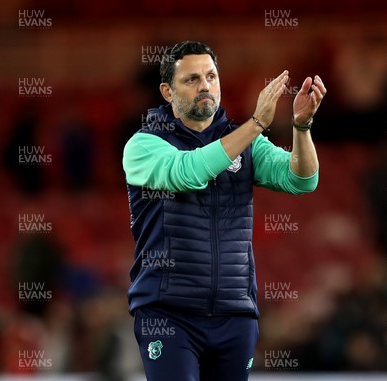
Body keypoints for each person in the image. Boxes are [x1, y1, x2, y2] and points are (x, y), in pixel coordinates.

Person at [121, 40, 325, 381]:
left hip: (235, 314)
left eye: (211, 76)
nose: (205, 85)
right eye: (192, 79)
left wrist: (301, 128)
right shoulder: (144, 145)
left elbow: (301, 179)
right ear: (167, 92)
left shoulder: (246, 142)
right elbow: (189, 172)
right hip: (169, 314)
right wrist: (256, 123)